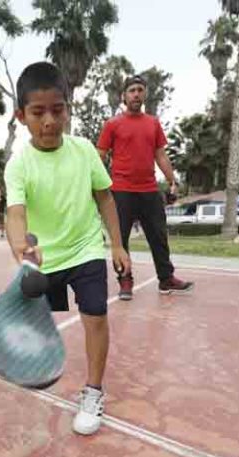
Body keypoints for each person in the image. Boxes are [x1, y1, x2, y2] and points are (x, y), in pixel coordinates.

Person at [5, 62, 131, 436]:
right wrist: (19, 247)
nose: (48, 121)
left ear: (68, 109)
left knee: (95, 316)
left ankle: (93, 391)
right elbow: (15, 213)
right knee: (42, 319)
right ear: (21, 116)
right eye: (37, 112)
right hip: (46, 257)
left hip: (86, 249)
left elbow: (105, 198)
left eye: (57, 110)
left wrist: (118, 245)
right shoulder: (18, 164)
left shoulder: (84, 150)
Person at [96, 75, 193, 300]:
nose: (136, 94)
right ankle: (125, 280)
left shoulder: (153, 123)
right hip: (121, 190)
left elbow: (160, 154)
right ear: (124, 96)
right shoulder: (112, 124)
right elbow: (99, 156)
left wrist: (172, 181)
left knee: (159, 237)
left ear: (145, 94)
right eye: (132, 90)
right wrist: (94, 185)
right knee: (121, 239)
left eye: (140, 90)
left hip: (149, 190)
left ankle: (166, 279)